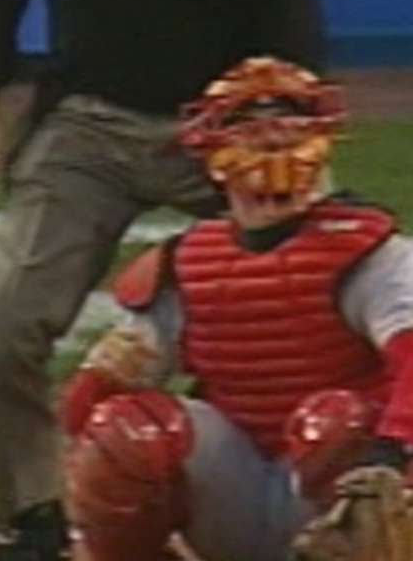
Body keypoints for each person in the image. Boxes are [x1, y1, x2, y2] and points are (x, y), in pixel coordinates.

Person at [0, 0, 326, 557]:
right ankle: (29, 520)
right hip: (87, 123)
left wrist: (288, 128)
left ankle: (313, 498)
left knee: (307, 298)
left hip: (229, 132)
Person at [59, 57, 413, 561]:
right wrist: (99, 410)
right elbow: (86, 410)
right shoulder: (185, 263)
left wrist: (392, 452)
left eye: (288, 136)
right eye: (255, 138)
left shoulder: (372, 253)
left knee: (338, 426)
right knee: (127, 431)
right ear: (214, 154)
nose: (273, 153)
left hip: (349, 484)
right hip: (237, 489)